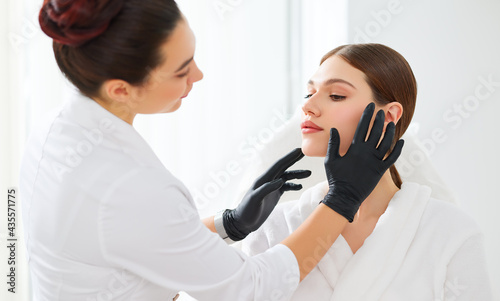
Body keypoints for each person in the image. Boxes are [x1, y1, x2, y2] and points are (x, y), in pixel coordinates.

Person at [19, 1, 404, 300]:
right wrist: (342, 200)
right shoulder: (127, 185)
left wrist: (229, 224)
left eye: (336, 94)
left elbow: (143, 238)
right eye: (181, 70)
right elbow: (248, 290)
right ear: (121, 89)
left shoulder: (58, 130)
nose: (198, 75)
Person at [241, 43, 493, 300]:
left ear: (388, 115)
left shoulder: (450, 232)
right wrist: (231, 223)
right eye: (309, 94)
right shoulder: (274, 226)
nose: (308, 107)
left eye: (336, 95)